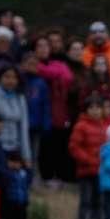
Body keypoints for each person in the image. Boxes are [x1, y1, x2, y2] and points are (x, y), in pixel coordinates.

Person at [32, 35, 73, 185]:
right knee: (37, 146)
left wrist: (45, 70)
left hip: (56, 110)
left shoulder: (57, 63)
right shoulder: (29, 64)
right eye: (39, 46)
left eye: (46, 46)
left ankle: (52, 176)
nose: (43, 49)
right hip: (36, 110)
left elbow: (68, 77)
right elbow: (56, 73)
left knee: (54, 145)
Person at [69, 95, 108, 219]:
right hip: (85, 170)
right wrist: (88, 159)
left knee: (99, 201)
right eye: (92, 108)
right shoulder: (81, 126)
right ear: (86, 110)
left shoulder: (104, 126)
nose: (95, 111)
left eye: (98, 107)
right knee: (85, 201)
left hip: (101, 171)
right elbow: (74, 147)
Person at [0, 66, 32, 166]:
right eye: (7, 77)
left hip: (14, 147)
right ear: (0, 78)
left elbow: (23, 127)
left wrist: (26, 156)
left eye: (14, 77)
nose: (10, 81)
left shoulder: (20, 97)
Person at [20, 52, 51, 181]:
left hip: (35, 124)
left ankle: (32, 177)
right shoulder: (19, 81)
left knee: (34, 152)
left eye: (34, 64)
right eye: (29, 64)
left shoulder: (41, 83)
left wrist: (45, 123)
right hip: (21, 122)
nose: (32, 66)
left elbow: (45, 104)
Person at [2, 151, 29, 219]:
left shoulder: (24, 174)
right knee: (10, 217)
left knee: (21, 218)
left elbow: (27, 184)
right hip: (11, 200)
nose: (15, 165)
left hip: (22, 200)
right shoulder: (8, 173)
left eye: (17, 163)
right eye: (13, 162)